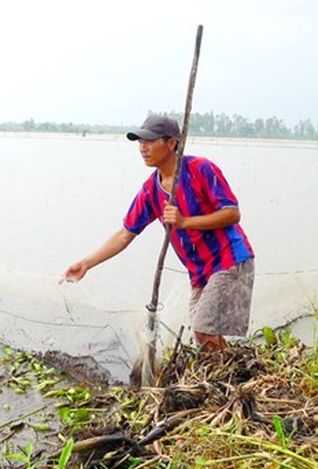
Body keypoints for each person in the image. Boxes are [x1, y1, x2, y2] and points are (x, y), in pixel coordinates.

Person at [63, 114, 255, 353]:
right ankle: (230, 373)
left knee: (203, 330)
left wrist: (185, 222)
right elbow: (125, 234)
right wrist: (86, 263)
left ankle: (229, 376)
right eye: (140, 142)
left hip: (229, 260)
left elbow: (232, 213)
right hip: (200, 272)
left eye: (150, 141)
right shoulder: (150, 190)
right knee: (202, 336)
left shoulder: (200, 169)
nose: (143, 148)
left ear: (172, 142)